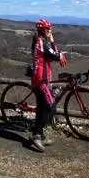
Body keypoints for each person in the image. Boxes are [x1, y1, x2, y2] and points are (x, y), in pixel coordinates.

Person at [29, 18, 67, 152]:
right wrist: (59, 53)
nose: (50, 31)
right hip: (40, 79)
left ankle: (39, 133)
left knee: (42, 106)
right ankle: (37, 136)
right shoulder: (41, 42)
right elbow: (53, 55)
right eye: (48, 29)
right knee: (50, 105)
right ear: (43, 30)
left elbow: (52, 52)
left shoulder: (39, 40)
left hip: (41, 78)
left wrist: (52, 43)